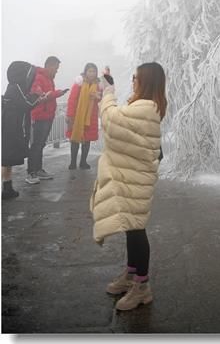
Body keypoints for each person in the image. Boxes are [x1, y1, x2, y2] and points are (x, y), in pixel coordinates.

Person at [90, 62, 165, 311]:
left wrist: (108, 94)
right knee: (131, 229)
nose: (133, 81)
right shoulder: (146, 106)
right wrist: (111, 87)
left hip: (134, 180)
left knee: (136, 230)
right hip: (131, 178)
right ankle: (132, 275)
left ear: (146, 81)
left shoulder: (145, 108)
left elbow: (111, 122)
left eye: (136, 78)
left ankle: (142, 288)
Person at [1, 61, 47, 199]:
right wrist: (39, 96)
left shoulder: (13, 87)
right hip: (11, 129)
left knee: (7, 160)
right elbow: (27, 104)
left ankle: (7, 188)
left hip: (10, 127)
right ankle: (5, 188)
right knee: (5, 159)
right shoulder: (16, 87)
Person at [26, 56, 68, 184]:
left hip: (47, 116)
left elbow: (46, 94)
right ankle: (31, 173)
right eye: (56, 68)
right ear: (49, 66)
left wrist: (54, 93)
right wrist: (58, 93)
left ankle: (38, 170)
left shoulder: (49, 79)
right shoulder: (39, 77)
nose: (57, 70)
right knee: (36, 145)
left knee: (40, 144)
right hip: (40, 116)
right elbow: (39, 94)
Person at [66, 63, 102, 170]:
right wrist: (70, 115)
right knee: (75, 139)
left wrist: (97, 97)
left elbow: (101, 99)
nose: (92, 73)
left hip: (91, 117)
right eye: (89, 71)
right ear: (85, 72)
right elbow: (72, 100)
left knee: (87, 140)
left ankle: (83, 162)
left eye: (94, 71)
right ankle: (73, 162)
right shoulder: (79, 83)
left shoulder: (99, 85)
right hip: (77, 116)